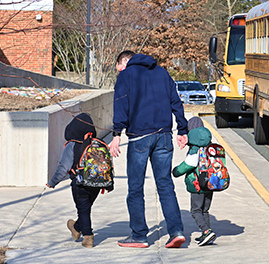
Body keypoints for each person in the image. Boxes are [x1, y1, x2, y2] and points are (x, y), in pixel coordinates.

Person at [108, 50, 189, 248]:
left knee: (135, 188)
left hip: (140, 139)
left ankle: (139, 235)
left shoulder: (126, 76)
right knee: (165, 185)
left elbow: (121, 105)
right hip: (164, 137)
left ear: (125, 61)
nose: (120, 71)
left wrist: (116, 135)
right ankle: (176, 231)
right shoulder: (162, 73)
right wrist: (182, 129)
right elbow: (175, 102)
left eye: (120, 68)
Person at [46, 113, 101, 248]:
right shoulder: (97, 144)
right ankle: (76, 228)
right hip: (98, 183)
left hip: (80, 182)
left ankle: (88, 236)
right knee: (85, 208)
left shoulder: (72, 145)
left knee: (83, 210)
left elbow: (63, 168)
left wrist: (52, 182)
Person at [173, 117, 217, 246]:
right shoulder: (209, 146)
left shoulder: (195, 148)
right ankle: (207, 234)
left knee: (196, 210)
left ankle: (206, 231)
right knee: (205, 210)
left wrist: (176, 171)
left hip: (197, 185)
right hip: (210, 183)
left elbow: (189, 164)